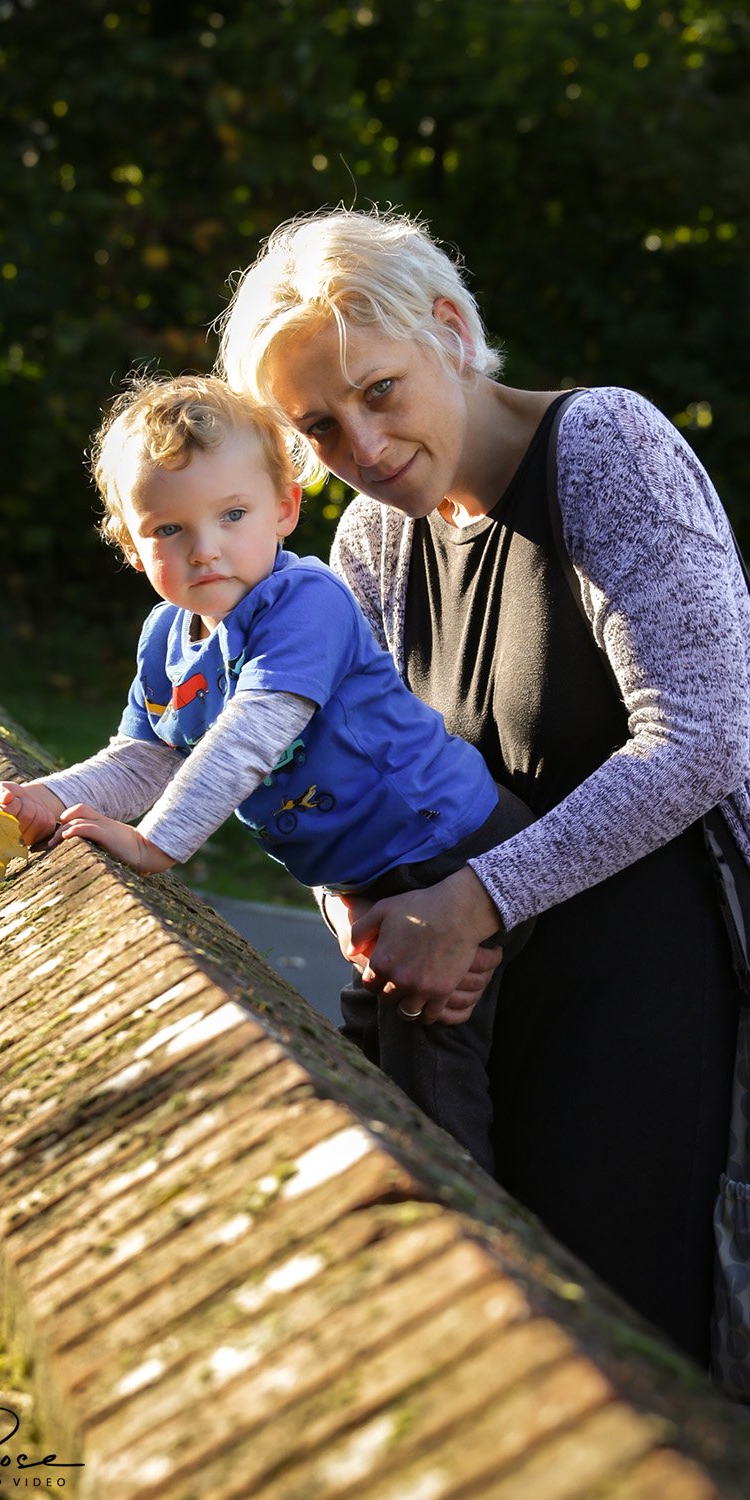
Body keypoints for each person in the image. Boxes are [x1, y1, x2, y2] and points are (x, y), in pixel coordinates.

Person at [215, 205, 750, 1370]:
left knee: (625, 1361)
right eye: (317, 427)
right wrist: (357, 916)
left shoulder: (604, 447)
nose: (358, 444)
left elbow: (705, 739)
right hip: (460, 1024)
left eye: (378, 391)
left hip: (648, 1013)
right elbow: (330, 771)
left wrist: (471, 903)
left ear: (451, 330)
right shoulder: (370, 541)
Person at [0, 374, 533, 1171]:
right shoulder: (167, 638)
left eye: (232, 515)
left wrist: (156, 845)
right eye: (168, 529)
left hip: (447, 844)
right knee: (367, 1051)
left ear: (285, 507)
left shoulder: (302, 602)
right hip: (369, 874)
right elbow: (147, 753)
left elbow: (252, 735)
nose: (204, 547)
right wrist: (48, 798)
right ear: (131, 545)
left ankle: (457, 1232)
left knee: (427, 1070)